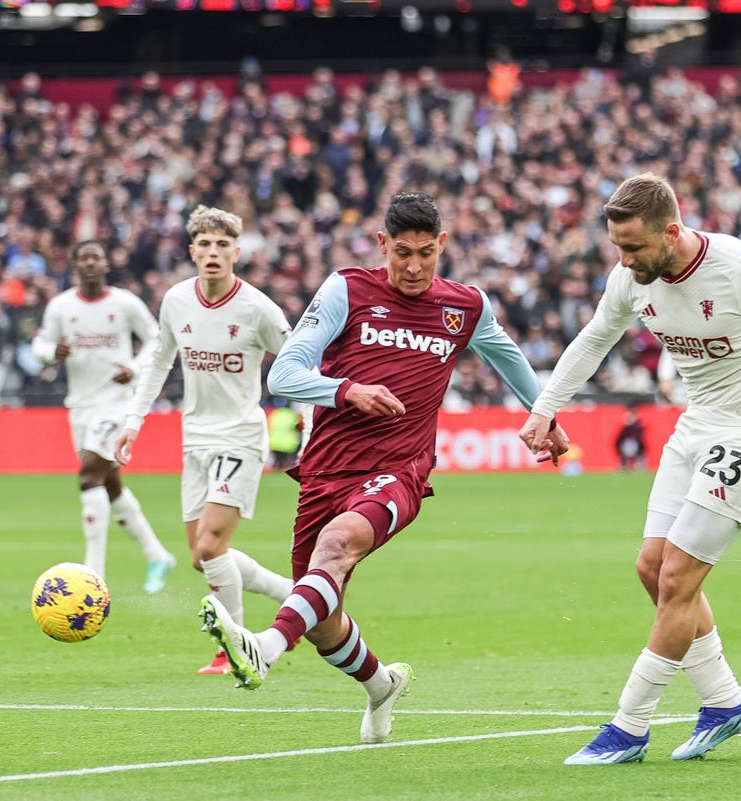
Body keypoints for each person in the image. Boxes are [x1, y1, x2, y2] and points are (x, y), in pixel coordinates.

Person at [199, 191, 568, 744]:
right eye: (402, 253)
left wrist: (545, 413)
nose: (415, 266)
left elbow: (506, 354)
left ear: (442, 244)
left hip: (401, 468)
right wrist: (347, 390)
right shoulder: (347, 290)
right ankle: (382, 685)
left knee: (339, 545)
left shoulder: (464, 306)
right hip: (326, 469)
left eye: (426, 253)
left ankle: (264, 647)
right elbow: (283, 377)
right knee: (325, 623)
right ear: (382, 244)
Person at [519, 173, 741, 765]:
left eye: (634, 248)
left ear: (673, 231)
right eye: (617, 247)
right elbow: (593, 339)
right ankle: (724, 701)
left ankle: (629, 728)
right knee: (653, 568)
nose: (624, 260)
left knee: (679, 578)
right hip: (698, 424)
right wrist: (545, 409)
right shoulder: (631, 278)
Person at [114, 206, 294, 675]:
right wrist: (135, 420)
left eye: (222, 245)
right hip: (194, 439)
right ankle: (293, 595)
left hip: (240, 437)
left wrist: (312, 428)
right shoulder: (176, 300)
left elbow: (300, 361)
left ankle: (235, 647)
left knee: (212, 548)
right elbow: (158, 361)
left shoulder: (257, 309)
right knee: (203, 558)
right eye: (205, 245)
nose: (213, 253)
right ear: (193, 251)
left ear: (237, 252)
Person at [32, 240, 176, 594]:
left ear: (106, 263)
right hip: (80, 406)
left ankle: (93, 572)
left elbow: (158, 339)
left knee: (88, 476)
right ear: (75, 265)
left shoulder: (125, 303)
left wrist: (135, 367)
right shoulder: (60, 306)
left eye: (97, 256)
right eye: (84, 258)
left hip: (118, 404)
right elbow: (38, 347)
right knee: (109, 484)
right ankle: (157, 554)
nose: (91, 263)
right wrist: (53, 352)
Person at [615, 402, 647, 471]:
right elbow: (618, 440)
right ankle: (624, 464)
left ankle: (639, 464)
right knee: (626, 448)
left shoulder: (638, 424)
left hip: (636, 445)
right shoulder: (626, 427)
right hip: (627, 445)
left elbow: (640, 437)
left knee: (639, 449)